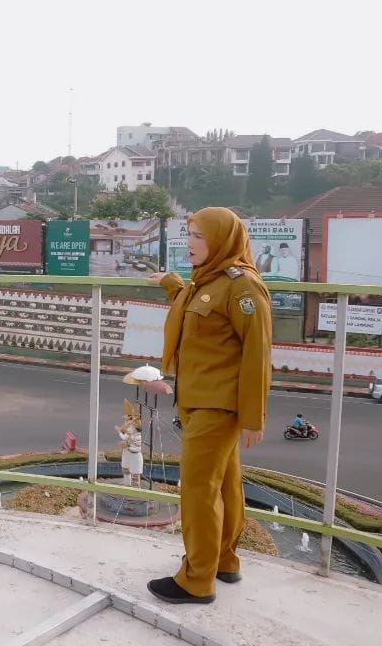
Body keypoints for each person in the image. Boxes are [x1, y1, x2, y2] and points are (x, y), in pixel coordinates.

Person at [145, 207, 271, 606]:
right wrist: (170, 283)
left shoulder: (243, 287)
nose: (190, 243)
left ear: (221, 240)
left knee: (199, 489)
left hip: (218, 406)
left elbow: (258, 354)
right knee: (227, 485)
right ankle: (225, 561)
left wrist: (253, 417)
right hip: (199, 401)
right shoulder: (211, 281)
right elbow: (196, 306)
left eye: (198, 236)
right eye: (189, 234)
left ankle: (196, 580)